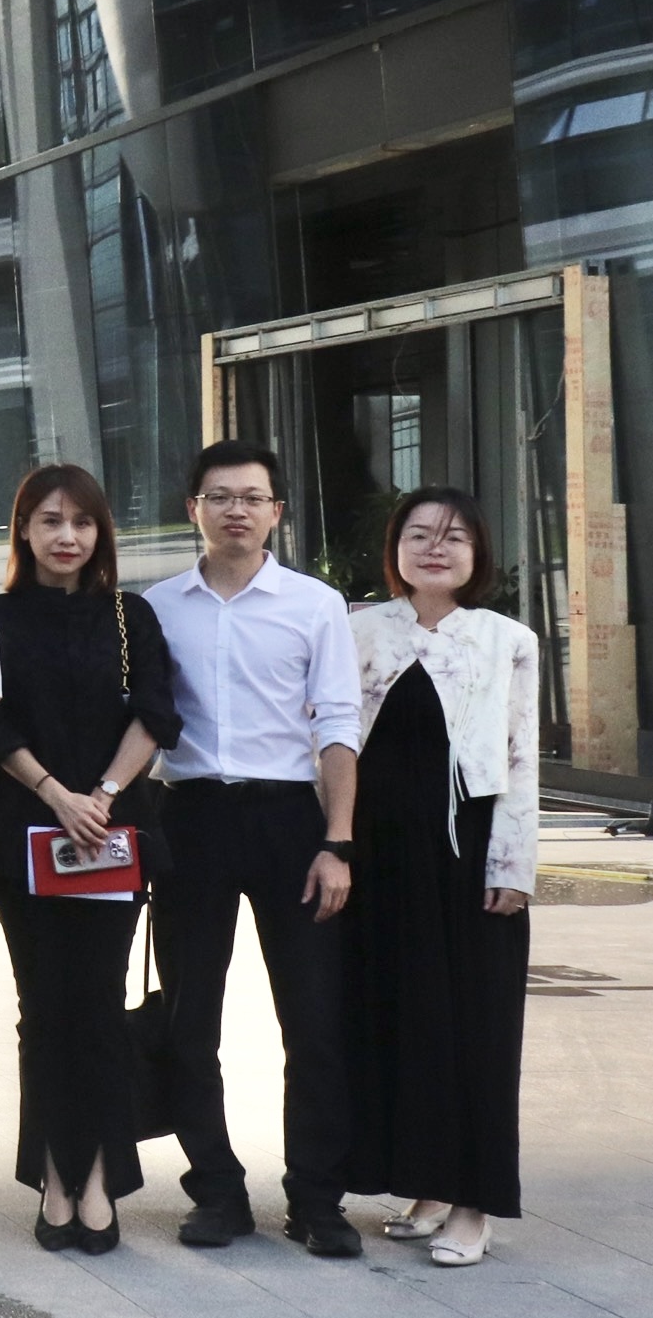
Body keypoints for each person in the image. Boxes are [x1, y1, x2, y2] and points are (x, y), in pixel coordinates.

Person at [145, 439, 364, 1257]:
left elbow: (336, 724)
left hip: (288, 822)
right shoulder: (156, 607)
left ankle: (315, 1197)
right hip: (189, 817)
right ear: (192, 508)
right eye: (218, 496)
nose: (234, 509)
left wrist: (337, 841)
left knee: (312, 1019)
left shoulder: (314, 604)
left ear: (275, 510)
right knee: (187, 1016)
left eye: (250, 496)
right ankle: (215, 1189)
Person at [0, 465, 180, 1255]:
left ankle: (98, 1175)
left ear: (101, 532)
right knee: (41, 1011)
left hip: (110, 838)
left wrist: (99, 793)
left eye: (82, 522)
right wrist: (54, 793)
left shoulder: (131, 615)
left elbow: (155, 713)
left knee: (97, 1006)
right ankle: (51, 1177)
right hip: (26, 836)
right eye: (50, 521)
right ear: (23, 529)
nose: (67, 536)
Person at [343, 487, 538, 1268]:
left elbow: (521, 758)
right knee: (399, 1019)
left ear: (475, 553)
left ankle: (471, 1202)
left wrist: (513, 865)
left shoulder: (506, 639)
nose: (433, 547)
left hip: (469, 859)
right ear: (394, 548)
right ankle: (423, 1183)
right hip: (377, 858)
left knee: (474, 1028)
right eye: (418, 534)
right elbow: (327, 739)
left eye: (452, 536)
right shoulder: (357, 630)